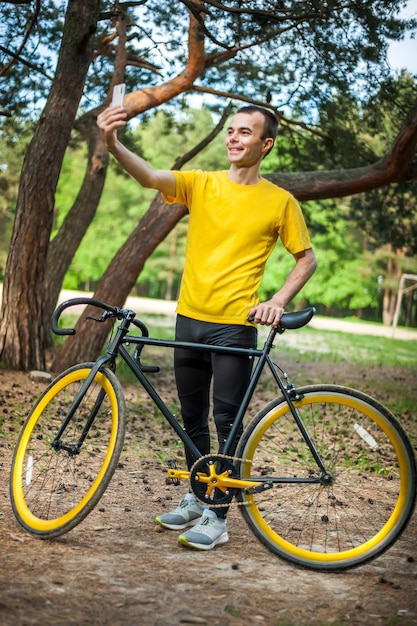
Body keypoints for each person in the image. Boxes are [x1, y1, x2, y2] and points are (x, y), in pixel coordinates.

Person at [97, 100, 317, 551]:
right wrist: (112, 142)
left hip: (235, 327)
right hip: (189, 319)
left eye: (245, 132)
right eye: (231, 131)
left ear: (265, 144)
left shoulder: (281, 201)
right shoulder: (201, 184)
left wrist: (277, 300)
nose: (234, 138)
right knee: (191, 417)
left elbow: (307, 258)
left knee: (226, 421)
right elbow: (150, 176)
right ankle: (200, 497)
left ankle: (219, 518)